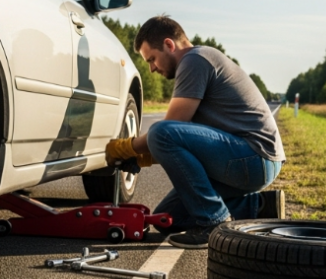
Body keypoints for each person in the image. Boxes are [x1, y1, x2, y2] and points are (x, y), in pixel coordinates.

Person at [105, 16, 286, 249]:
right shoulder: (199, 59)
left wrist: (127, 147)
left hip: (254, 157)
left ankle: (213, 221)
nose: (151, 69)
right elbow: (182, 143)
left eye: (152, 59)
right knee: (168, 218)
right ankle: (259, 206)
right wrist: (143, 154)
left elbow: (168, 130)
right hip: (250, 160)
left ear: (169, 45)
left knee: (160, 132)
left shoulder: (195, 60)